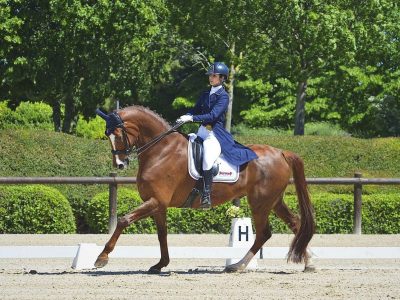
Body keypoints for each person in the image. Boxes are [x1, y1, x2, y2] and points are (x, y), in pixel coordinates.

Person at [177, 62, 258, 209]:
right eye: (210, 75)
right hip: (201, 132)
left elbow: (213, 115)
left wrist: (192, 118)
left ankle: (206, 195)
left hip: (215, 135)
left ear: (222, 78)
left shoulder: (223, 97)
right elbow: (195, 110)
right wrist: (186, 115)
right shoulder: (205, 94)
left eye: (214, 76)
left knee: (208, 158)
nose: (211, 78)